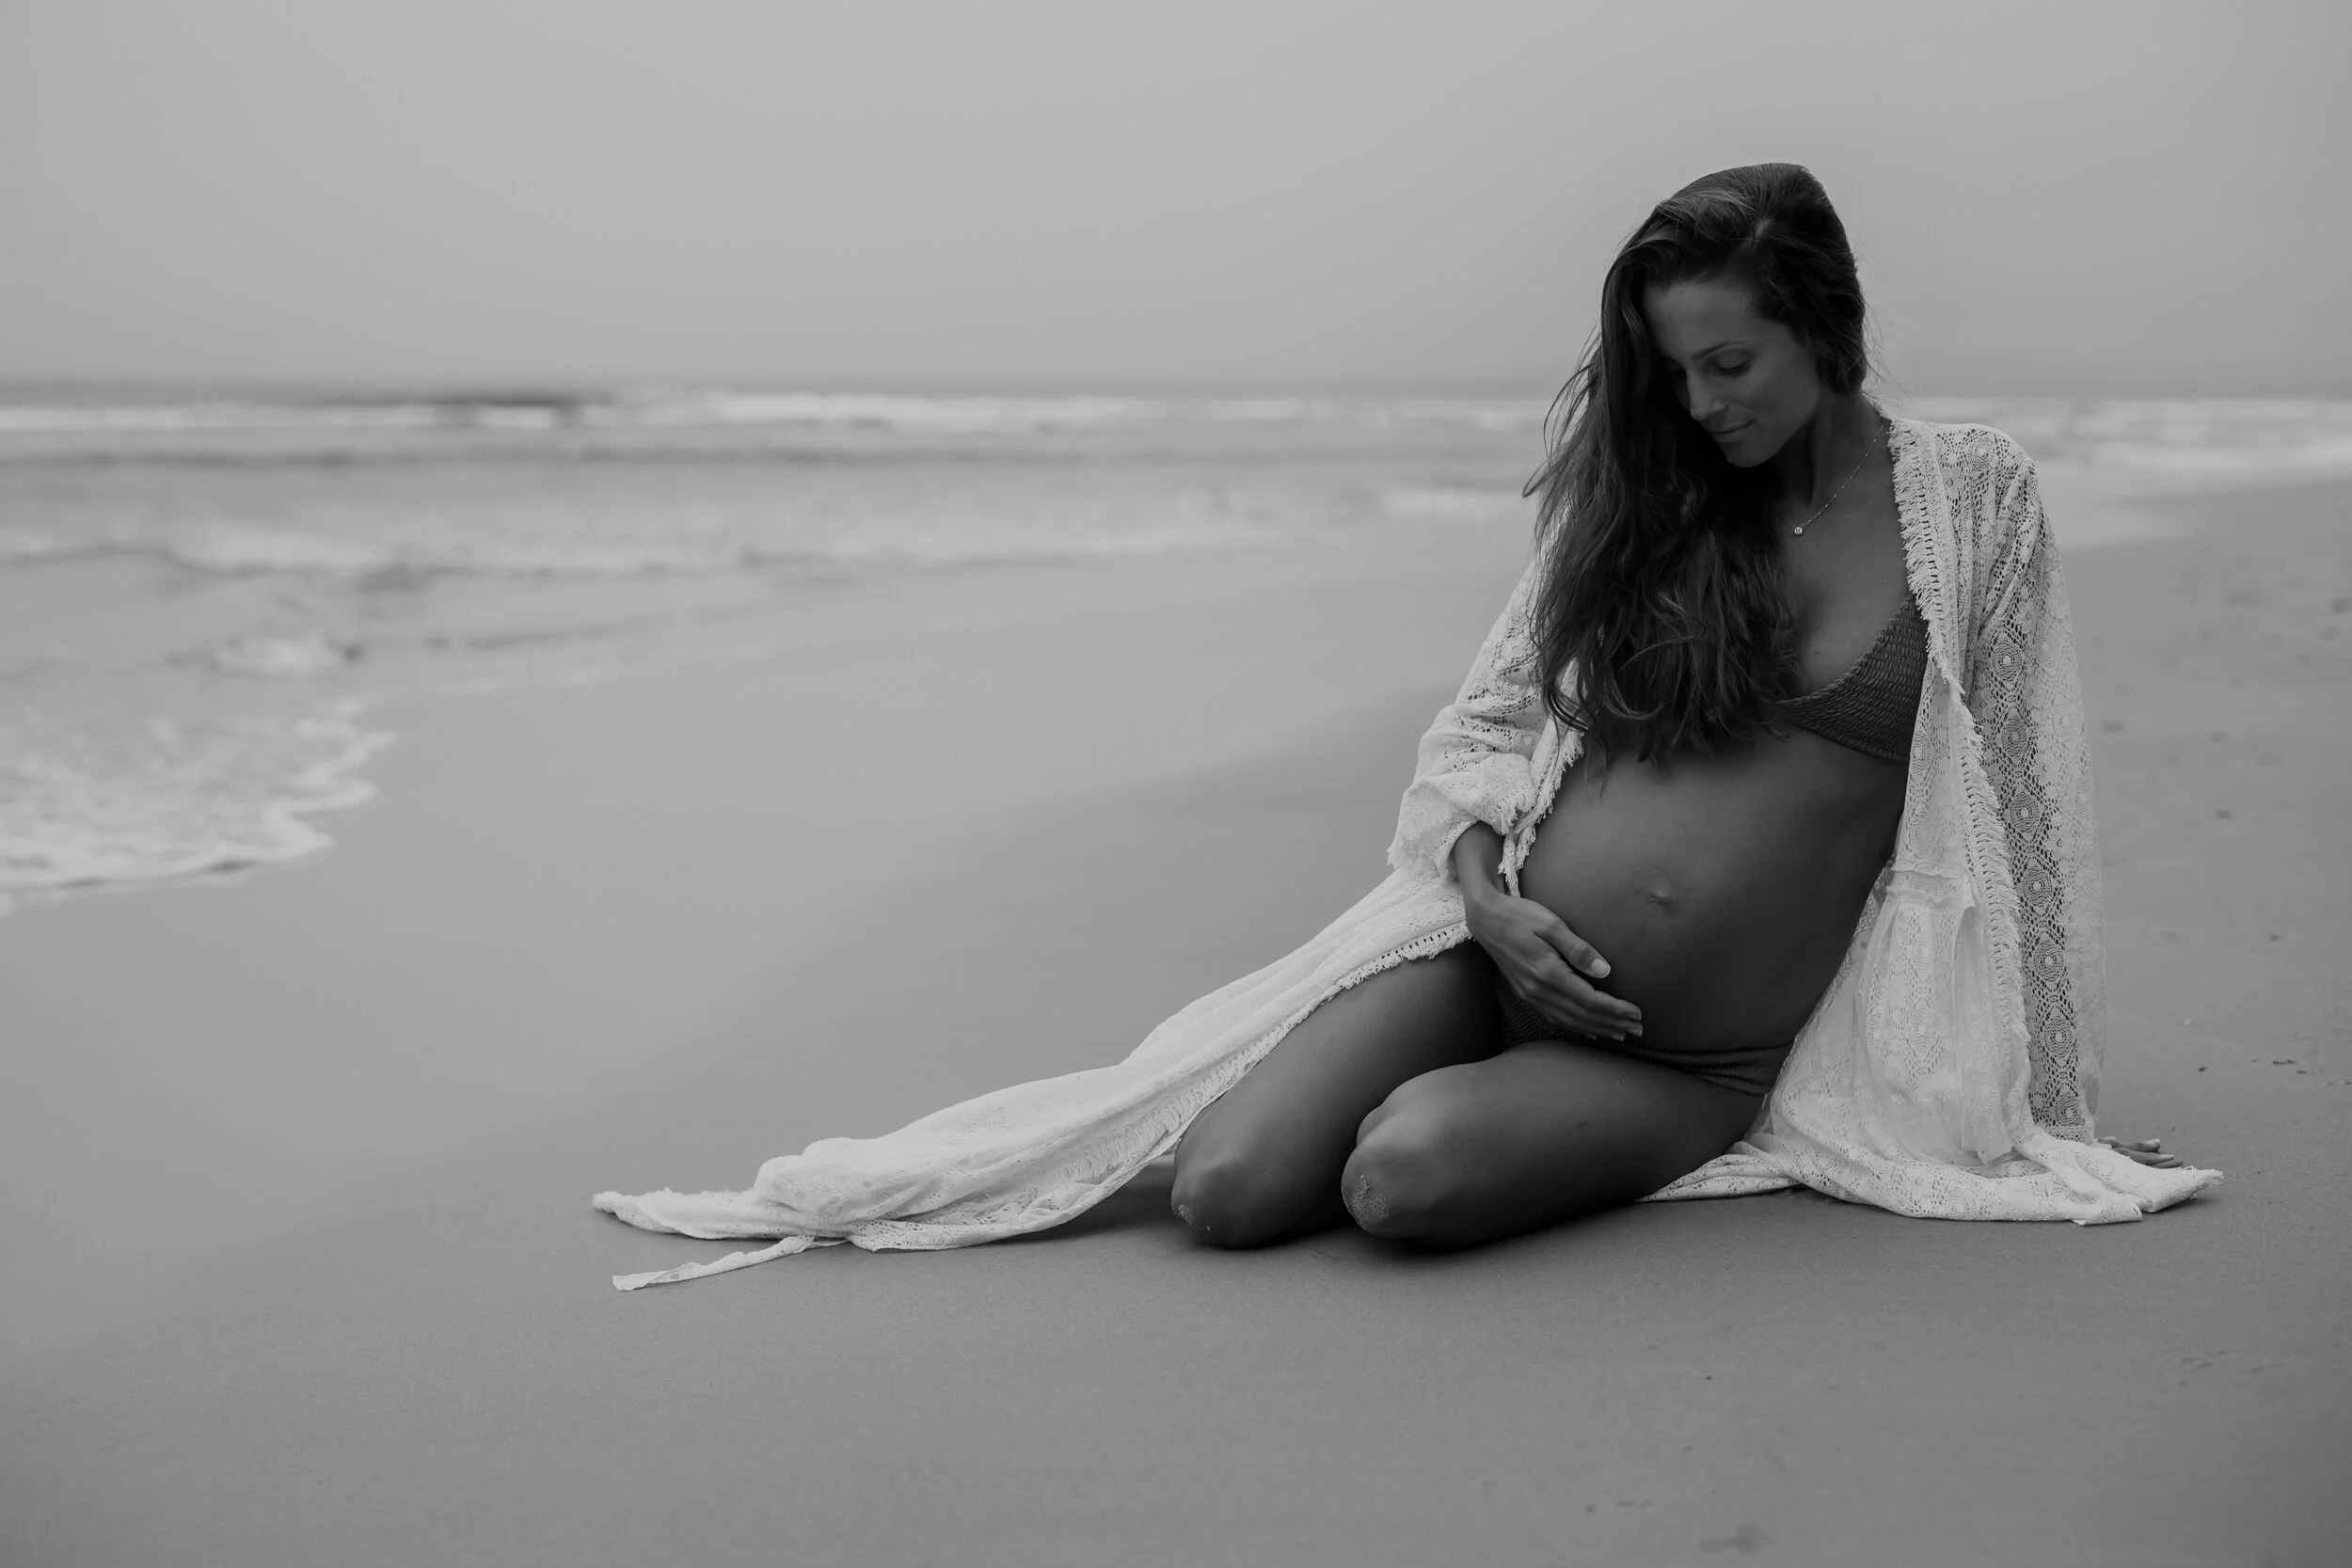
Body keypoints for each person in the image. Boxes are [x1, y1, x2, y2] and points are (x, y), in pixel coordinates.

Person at [595, 164, 2217, 1291]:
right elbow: (1488, 720)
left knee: (1399, 1182)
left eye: (1735, 362)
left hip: (1691, 1054)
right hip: (1481, 949)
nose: (1706, 403)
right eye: (1677, 373)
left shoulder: (1969, 498)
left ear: (1830, 326)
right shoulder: (1652, 506)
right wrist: (1487, 895)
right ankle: (1387, 1062)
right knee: (1227, 1193)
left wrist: (2047, 1103)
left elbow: (2018, 799)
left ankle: (1455, 1107)